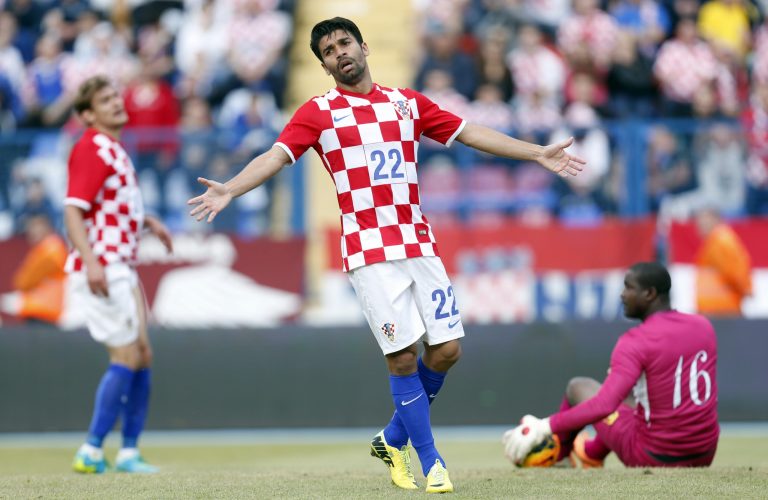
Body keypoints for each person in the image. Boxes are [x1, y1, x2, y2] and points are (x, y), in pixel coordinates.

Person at [188, 17, 585, 493]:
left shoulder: (406, 103)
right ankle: (430, 462)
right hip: (369, 251)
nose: (340, 53)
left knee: (448, 349)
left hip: (418, 243)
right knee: (402, 357)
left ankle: (392, 437)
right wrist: (230, 188)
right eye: (329, 50)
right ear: (323, 64)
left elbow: (471, 132)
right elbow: (275, 155)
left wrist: (537, 151)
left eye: (345, 43)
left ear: (364, 46)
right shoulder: (319, 112)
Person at [502, 262, 719, 468]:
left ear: (649, 294)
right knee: (626, 395)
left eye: (628, 288)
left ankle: (560, 458)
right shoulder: (703, 326)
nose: (622, 295)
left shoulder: (635, 340)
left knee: (578, 387)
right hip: (705, 454)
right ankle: (592, 454)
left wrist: (544, 426)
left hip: (654, 456)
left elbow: (604, 406)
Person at [64, 75, 173, 474]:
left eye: (115, 96)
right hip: (104, 265)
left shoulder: (113, 150)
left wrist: (147, 221)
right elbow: (74, 209)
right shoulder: (92, 146)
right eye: (104, 100)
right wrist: (91, 261)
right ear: (88, 114)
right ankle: (92, 450)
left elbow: (107, 208)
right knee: (126, 353)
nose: (115, 102)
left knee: (142, 354)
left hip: (118, 264)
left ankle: (128, 451)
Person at [0, 212, 67, 325]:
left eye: (37, 226)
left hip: (44, 310)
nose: (32, 231)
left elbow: (23, 281)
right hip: (43, 309)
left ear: (47, 227)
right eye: (30, 227)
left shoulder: (50, 249)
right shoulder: (46, 248)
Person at [694, 206, 753, 317]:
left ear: (716, 220)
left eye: (704, 220)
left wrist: (746, 290)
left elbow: (735, 273)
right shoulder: (717, 241)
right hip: (718, 309)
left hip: (721, 310)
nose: (700, 225)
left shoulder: (721, 242)